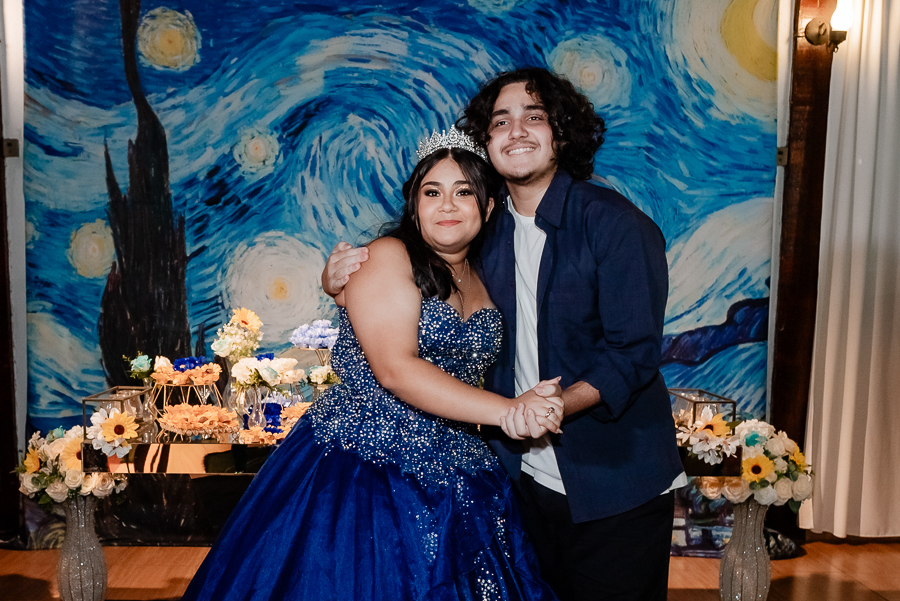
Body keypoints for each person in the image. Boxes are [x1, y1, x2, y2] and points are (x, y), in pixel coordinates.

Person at [323, 67, 685, 601]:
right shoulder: (482, 231)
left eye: (533, 117)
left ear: (561, 132)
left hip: (613, 483)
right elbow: (408, 298)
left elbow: (632, 354)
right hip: (517, 480)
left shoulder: (614, 224)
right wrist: (338, 285)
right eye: (500, 121)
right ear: (486, 141)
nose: (515, 131)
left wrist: (555, 405)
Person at [182, 129, 565, 601]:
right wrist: (509, 411)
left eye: (464, 192)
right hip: (364, 469)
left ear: (487, 208)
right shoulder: (387, 256)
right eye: (432, 192)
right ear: (415, 205)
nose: (447, 205)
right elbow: (395, 370)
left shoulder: (481, 274)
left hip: (459, 471)